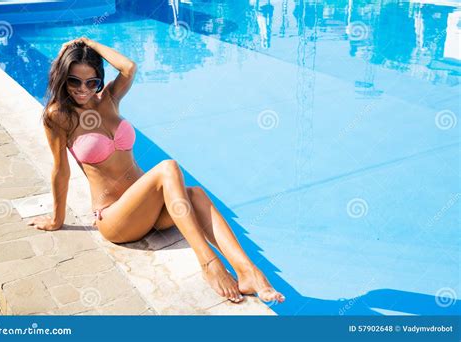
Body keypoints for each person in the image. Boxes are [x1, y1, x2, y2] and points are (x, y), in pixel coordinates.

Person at [28, 37, 285, 305]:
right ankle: (208, 263)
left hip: (150, 212)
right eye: (74, 81)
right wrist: (57, 220)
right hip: (116, 219)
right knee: (167, 168)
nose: (83, 89)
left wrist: (88, 43)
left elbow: (128, 67)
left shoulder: (109, 100)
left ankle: (249, 273)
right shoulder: (58, 116)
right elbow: (61, 170)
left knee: (195, 194)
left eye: (92, 82)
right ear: (63, 78)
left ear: (99, 81)